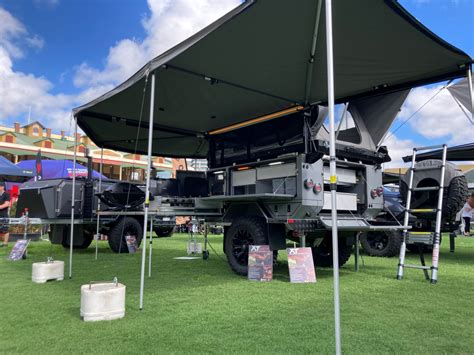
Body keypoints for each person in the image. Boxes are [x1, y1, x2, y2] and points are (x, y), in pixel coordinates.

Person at [0, 181, 11, 247]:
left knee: (5, 229)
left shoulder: (6, 194)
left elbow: (7, 204)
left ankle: (5, 243)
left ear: (2, 187)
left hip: (3, 215)